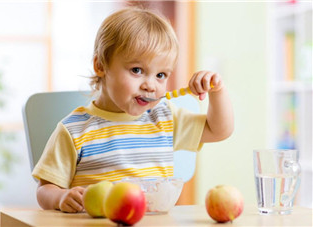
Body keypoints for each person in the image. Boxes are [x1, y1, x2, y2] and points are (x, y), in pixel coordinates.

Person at [32, 7, 234, 213]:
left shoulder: (164, 117)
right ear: (100, 65)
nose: (151, 85)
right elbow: (45, 189)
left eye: (161, 75)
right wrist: (60, 197)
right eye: (137, 70)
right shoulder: (74, 130)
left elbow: (218, 130)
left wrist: (217, 92)